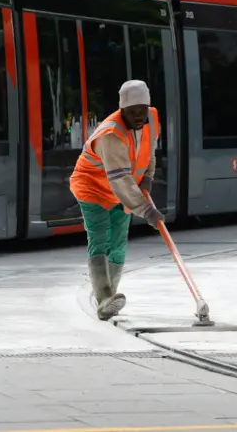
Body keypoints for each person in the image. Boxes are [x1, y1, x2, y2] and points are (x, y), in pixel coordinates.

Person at [69, 80, 163, 320]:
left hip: (124, 190)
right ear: (122, 109)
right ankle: (104, 300)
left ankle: (112, 295)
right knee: (100, 239)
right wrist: (147, 210)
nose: (140, 115)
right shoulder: (111, 134)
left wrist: (148, 177)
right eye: (133, 111)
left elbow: (149, 149)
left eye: (143, 109)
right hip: (93, 187)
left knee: (119, 243)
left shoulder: (151, 118)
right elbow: (120, 178)